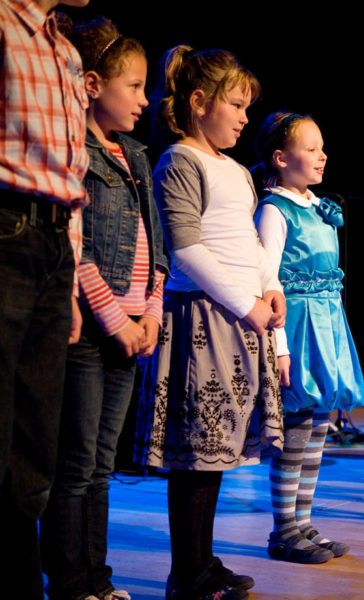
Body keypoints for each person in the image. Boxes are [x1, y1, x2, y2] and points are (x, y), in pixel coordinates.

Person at [134, 45, 284, 600]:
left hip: (239, 318)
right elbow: (187, 249)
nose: (244, 118)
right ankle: (186, 573)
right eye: (236, 106)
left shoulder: (238, 171)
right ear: (200, 102)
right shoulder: (180, 161)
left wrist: (270, 284)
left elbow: (247, 243)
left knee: (215, 454)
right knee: (195, 457)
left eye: (247, 108)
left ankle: (203, 560)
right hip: (202, 318)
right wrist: (247, 305)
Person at [41, 17, 166, 600]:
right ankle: (70, 583)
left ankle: (98, 579)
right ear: (92, 85)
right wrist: (117, 321)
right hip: (94, 332)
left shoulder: (137, 156)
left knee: (101, 466)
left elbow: (157, 248)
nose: (144, 100)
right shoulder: (80, 154)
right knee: (75, 463)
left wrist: (151, 316)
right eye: (133, 86)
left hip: (133, 330)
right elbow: (80, 250)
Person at [0, 0, 89, 596]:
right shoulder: (6, 26)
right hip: (6, 230)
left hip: (54, 242)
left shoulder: (64, 49)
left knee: (36, 437)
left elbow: (69, 176)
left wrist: (72, 280)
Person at [255, 112, 364, 559]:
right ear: (281, 158)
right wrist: (279, 347)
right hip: (296, 328)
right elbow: (266, 282)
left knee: (319, 425)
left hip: (326, 324)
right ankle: (284, 531)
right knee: (296, 429)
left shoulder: (317, 206)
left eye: (322, 148)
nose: (322, 156)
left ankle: (303, 522)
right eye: (311, 148)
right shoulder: (274, 210)